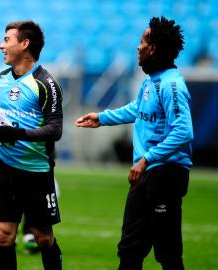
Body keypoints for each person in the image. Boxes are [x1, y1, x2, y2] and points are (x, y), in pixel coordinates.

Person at [75, 16, 193, 270]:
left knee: (166, 251)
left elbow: (184, 131)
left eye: (142, 42)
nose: (137, 47)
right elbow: (138, 109)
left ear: (154, 48)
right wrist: (103, 118)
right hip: (149, 173)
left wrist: (147, 159)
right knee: (132, 248)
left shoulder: (172, 84)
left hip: (164, 173)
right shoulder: (151, 81)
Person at [0, 20, 63, 270]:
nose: (1, 45)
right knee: (3, 235)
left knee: (43, 237)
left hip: (36, 173)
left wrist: (17, 133)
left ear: (25, 44)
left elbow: (55, 129)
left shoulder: (45, 83)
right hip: (3, 168)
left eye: (7, 40)